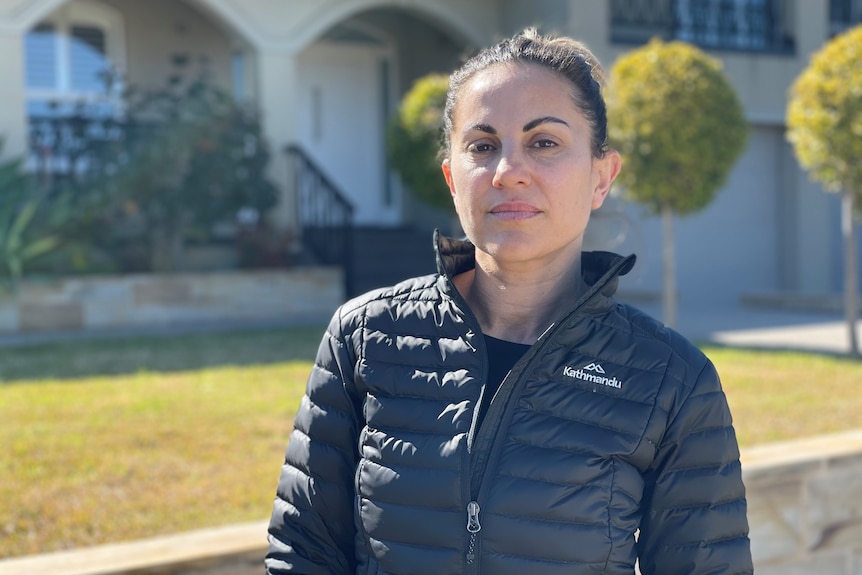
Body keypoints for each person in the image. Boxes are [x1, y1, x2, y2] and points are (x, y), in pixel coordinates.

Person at [265, 28, 753, 575]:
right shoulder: (365, 338)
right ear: (453, 178)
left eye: (544, 143)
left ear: (601, 176)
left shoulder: (670, 379)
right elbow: (303, 552)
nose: (508, 171)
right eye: (483, 145)